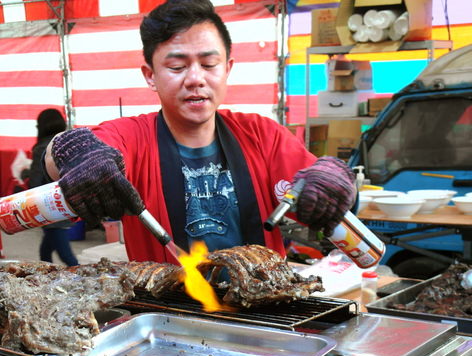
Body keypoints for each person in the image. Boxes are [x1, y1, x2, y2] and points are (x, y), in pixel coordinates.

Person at [45, 0, 356, 264]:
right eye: (177, 67)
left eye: (209, 64)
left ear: (228, 69)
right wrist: (75, 152)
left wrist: (335, 183)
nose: (195, 78)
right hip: (165, 321)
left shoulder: (262, 135)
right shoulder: (134, 137)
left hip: (267, 317)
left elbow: (317, 192)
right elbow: (60, 152)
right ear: (150, 76)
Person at [29, 109, 78, 266]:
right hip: (68, 201)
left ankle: (87, 283)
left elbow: (35, 183)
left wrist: (24, 175)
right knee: (46, 249)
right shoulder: (67, 143)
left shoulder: (41, 148)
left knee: (67, 257)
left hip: (51, 206)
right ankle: (45, 276)